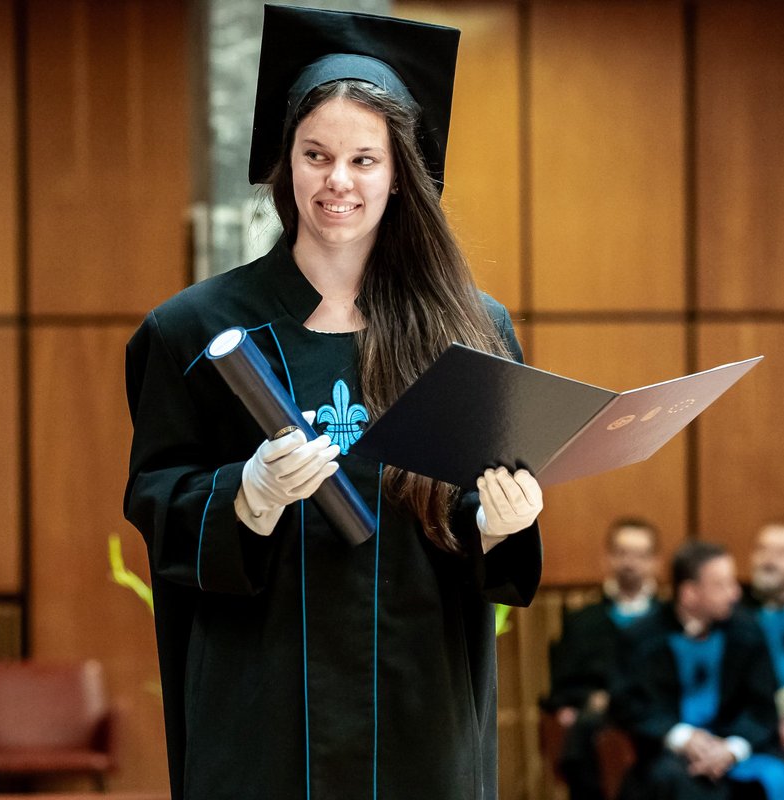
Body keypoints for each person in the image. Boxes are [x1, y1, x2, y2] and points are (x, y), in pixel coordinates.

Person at [124, 7, 543, 799]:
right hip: (263, 701)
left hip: (419, 696)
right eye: (316, 155)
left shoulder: (469, 329)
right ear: (285, 163)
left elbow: (467, 512)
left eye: (363, 159)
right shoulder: (193, 331)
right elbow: (156, 496)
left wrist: (500, 524)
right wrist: (246, 495)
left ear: (400, 173)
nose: (337, 181)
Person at [612, 541, 784, 799]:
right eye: (721, 585)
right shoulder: (642, 638)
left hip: (737, 745)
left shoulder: (747, 631)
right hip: (670, 754)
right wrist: (682, 737)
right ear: (689, 593)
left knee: (775, 776)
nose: (735, 594)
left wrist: (732, 748)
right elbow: (628, 704)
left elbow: (761, 706)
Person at [543, 518, 662, 800]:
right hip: (595, 723)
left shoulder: (667, 622)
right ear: (607, 557)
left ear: (655, 562)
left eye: (639, 555)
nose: (630, 563)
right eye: (622, 553)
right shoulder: (582, 621)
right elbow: (562, 686)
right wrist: (583, 702)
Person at [747, 522, 784, 753]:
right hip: (753, 732)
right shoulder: (734, 615)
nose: (768, 560)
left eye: (782, 553)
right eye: (762, 549)